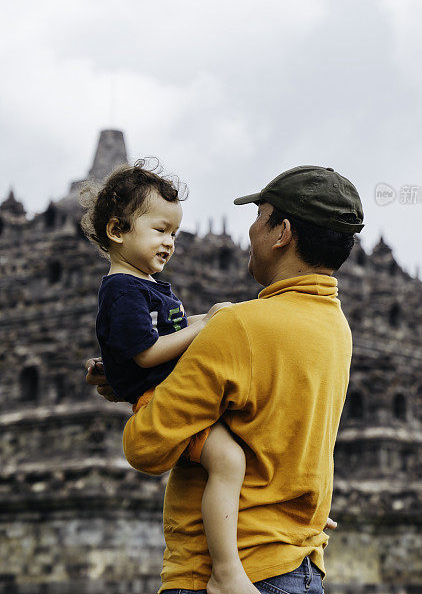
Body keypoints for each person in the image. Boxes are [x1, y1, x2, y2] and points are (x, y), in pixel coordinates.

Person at [86, 164, 364, 594]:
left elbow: (146, 446)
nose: (249, 232)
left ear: (282, 232)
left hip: (226, 573)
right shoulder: (336, 329)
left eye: (258, 217)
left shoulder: (239, 327)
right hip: (303, 567)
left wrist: (137, 394)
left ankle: (224, 570)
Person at [81, 160, 255, 594]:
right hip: (163, 404)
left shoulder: (147, 285)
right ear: (117, 231)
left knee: (246, 451)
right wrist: (204, 327)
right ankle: (226, 572)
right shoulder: (122, 289)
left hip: (179, 395)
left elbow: (167, 331)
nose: (170, 243)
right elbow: (146, 352)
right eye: (160, 230)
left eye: (174, 234)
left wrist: (212, 316)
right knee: (230, 462)